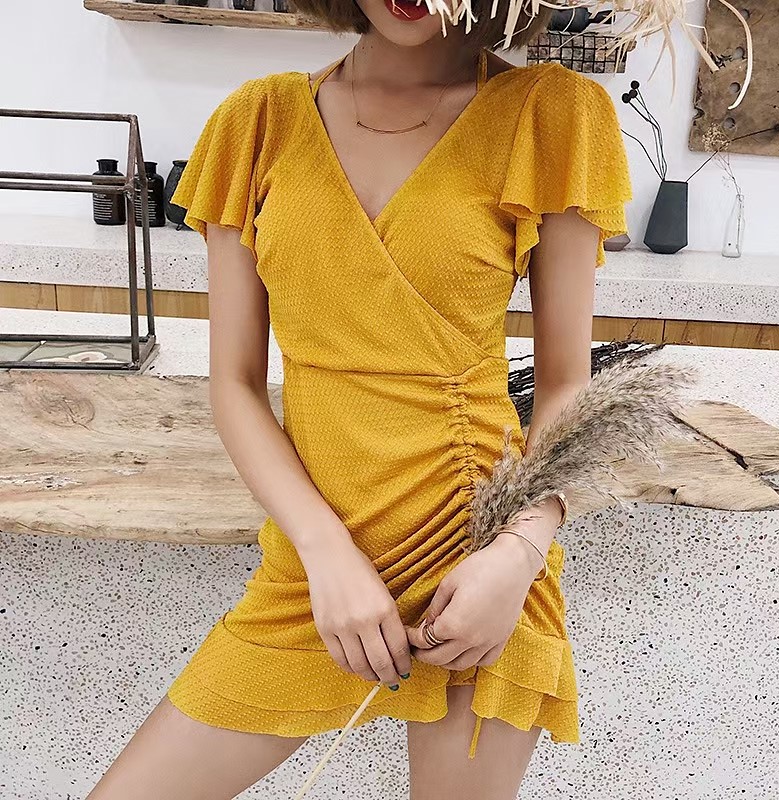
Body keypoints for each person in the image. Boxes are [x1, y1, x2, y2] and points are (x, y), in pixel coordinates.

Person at [86, 0, 631, 797]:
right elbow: (234, 385)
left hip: (476, 559)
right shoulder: (257, 121)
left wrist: (519, 553)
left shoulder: (549, 111)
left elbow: (565, 387)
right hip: (315, 568)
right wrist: (324, 554)